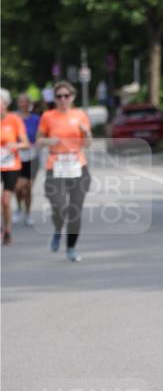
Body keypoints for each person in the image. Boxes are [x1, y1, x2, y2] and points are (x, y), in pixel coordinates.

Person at [36, 80, 92, 262]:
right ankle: (58, 229)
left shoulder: (80, 115)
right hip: (56, 165)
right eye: (59, 96)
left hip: (77, 164)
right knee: (59, 206)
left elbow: (88, 143)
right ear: (55, 99)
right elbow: (38, 141)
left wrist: (86, 133)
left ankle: (71, 247)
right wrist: (46, 141)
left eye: (66, 96)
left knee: (75, 210)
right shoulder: (48, 116)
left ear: (72, 97)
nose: (62, 99)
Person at [0, 89, 29, 245]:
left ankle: (7, 230)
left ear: (5, 104)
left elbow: (25, 144)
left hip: (10, 165)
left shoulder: (14, 120)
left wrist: (16, 145)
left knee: (5, 201)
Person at [15, 93, 40, 226]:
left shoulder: (35, 119)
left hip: (32, 156)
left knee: (28, 187)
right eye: (21, 102)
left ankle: (28, 213)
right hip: (17, 156)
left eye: (26, 102)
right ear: (18, 103)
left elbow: (40, 135)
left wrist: (35, 143)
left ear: (29, 104)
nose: (24, 104)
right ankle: (19, 207)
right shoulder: (13, 118)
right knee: (18, 187)